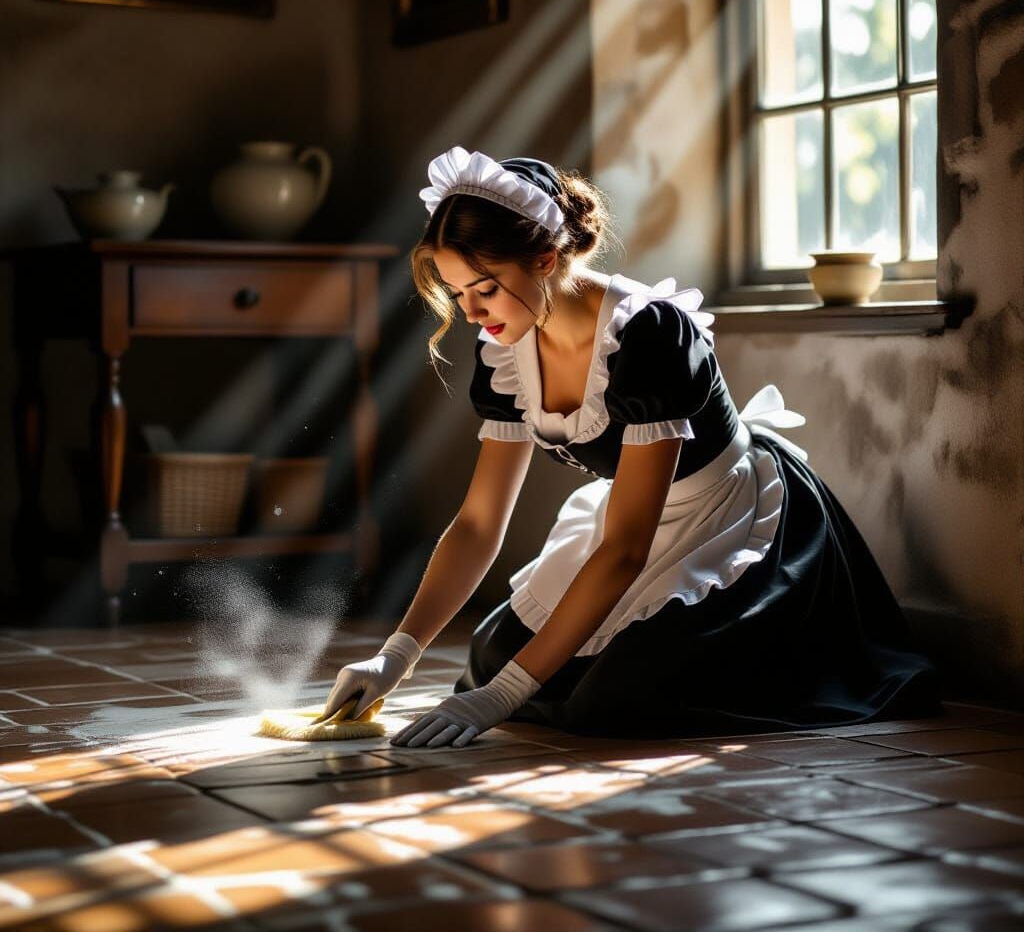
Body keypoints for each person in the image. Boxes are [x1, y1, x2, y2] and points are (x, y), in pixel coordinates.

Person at [318, 145, 944, 749]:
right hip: (631, 516)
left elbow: (625, 549)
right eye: (459, 296)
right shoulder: (505, 353)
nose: (473, 313)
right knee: (490, 656)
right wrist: (392, 658)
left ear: (542, 257)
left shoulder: (649, 335)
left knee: (614, 699)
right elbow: (480, 522)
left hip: (729, 524)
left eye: (485, 287)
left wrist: (504, 697)